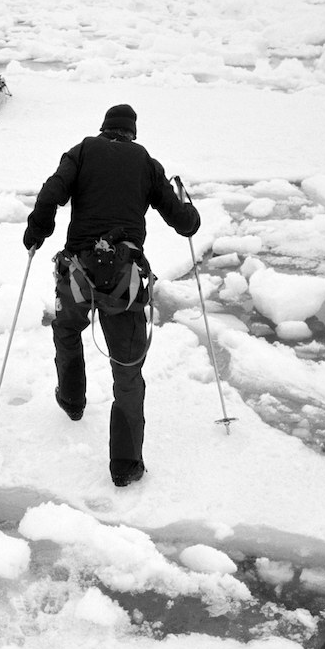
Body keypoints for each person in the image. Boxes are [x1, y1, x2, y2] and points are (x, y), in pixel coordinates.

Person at [23, 104, 201, 487]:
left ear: (104, 129)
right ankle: (124, 465)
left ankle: (71, 400)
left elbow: (51, 192)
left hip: (78, 273)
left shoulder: (83, 151)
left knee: (67, 328)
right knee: (127, 368)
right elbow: (183, 222)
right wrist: (191, 212)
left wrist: (38, 230)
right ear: (132, 133)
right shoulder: (147, 164)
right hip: (126, 278)